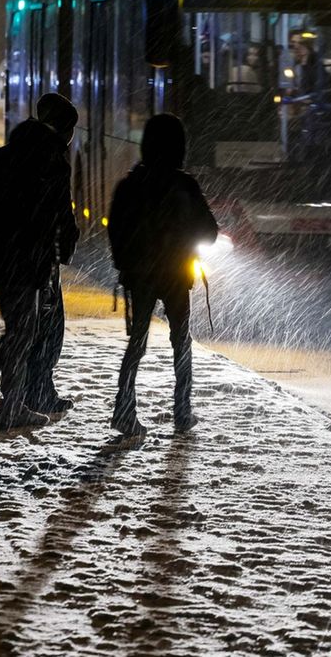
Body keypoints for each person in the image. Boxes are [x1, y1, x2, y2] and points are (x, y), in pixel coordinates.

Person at [0, 93, 79, 414]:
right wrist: (66, 246)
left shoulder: (6, 154)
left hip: (2, 258)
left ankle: (5, 390)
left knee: (20, 329)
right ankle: (25, 398)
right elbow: (61, 216)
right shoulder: (52, 160)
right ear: (63, 130)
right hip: (35, 259)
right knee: (43, 330)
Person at [108, 113, 218, 435]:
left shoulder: (130, 184)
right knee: (181, 342)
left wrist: (127, 264)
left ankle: (123, 409)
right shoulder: (185, 185)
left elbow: (116, 230)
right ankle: (182, 411)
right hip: (174, 275)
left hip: (140, 275)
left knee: (137, 343)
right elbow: (209, 232)